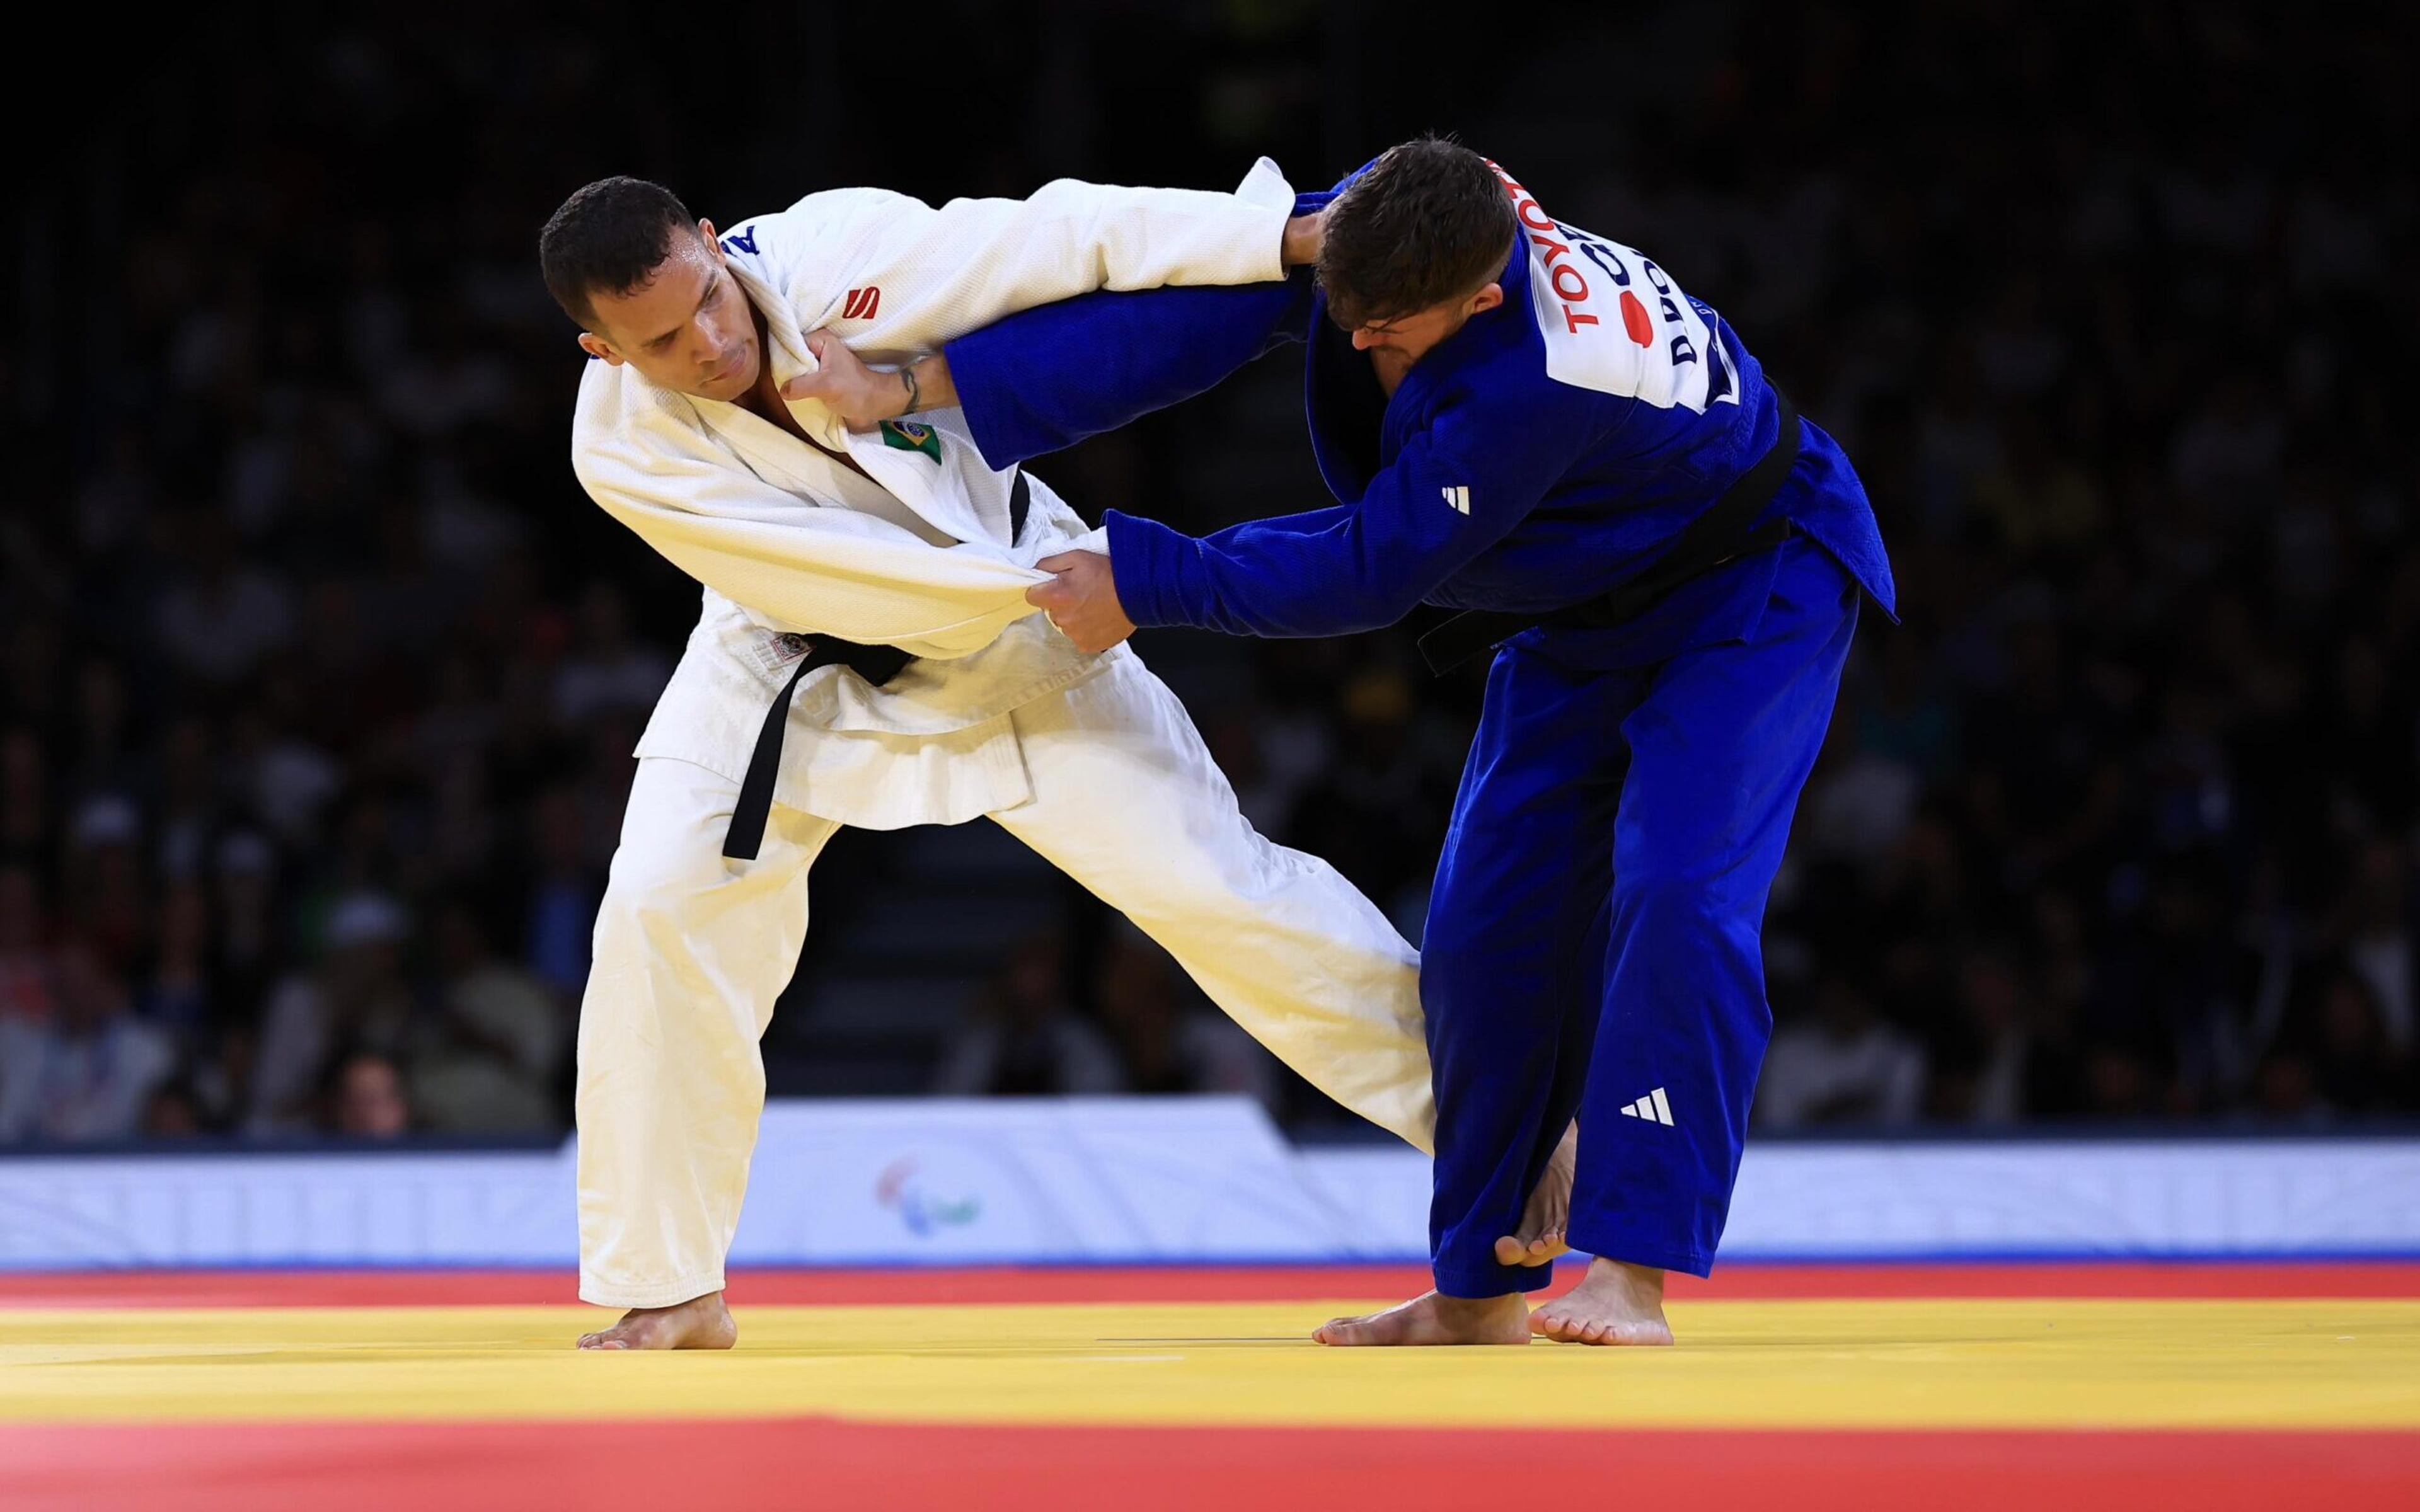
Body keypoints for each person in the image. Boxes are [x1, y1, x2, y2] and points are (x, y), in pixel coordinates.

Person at [809, 138, 1897, 1344]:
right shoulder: (1380, 222)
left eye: (1395, 333)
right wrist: (922, 385)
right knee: (1484, 927)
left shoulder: (1533, 380)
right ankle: (1476, 1291)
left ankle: (1631, 1270)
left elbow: (1373, 566)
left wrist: (1148, 577)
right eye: (1350, 319)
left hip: (1755, 579)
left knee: (1678, 884)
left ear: (1482, 299)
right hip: (1587, 587)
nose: (1363, 346)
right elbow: (1182, 322)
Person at [543, 166, 1446, 1350]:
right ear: (600, 352)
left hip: (1029, 630)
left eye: (709, 297)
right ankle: (669, 1286)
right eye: (660, 341)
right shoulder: (621, 452)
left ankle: (1511, 1137)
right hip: (797, 662)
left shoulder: (835, 251)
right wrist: (1092, 587)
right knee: (661, 908)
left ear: (715, 244)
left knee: (1226, 895)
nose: (710, 343)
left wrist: (1278, 237)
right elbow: (840, 579)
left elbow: (1054, 238)